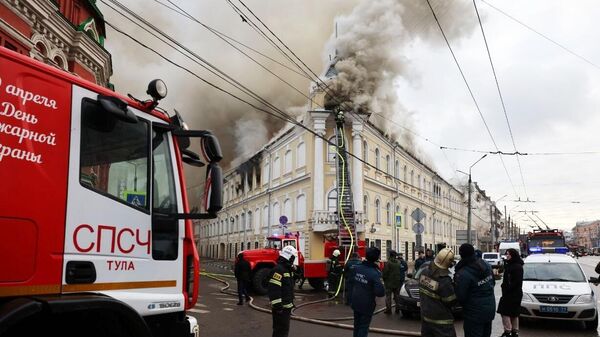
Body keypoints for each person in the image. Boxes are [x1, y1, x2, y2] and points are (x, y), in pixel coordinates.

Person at [454, 243, 496, 337]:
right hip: (489, 310)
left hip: (473, 314)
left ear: (461, 255)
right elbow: (493, 283)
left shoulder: (463, 273)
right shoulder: (486, 264)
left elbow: (461, 296)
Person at [419, 248, 457, 337]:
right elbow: (450, 301)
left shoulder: (424, 272)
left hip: (426, 319)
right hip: (442, 323)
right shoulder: (444, 281)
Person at [351, 247, 385, 337]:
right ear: (377, 258)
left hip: (355, 301)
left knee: (356, 326)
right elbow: (380, 292)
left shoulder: (357, 268)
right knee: (363, 327)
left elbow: (351, 280)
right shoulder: (375, 273)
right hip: (366, 305)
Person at [268, 245, 297, 337]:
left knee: (283, 330)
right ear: (289, 257)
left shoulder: (286, 269)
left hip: (286, 308)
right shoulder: (278, 270)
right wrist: (278, 307)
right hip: (281, 309)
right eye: (293, 257)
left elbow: (288, 287)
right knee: (280, 331)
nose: (293, 260)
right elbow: (274, 290)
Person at [497, 248, 524, 337]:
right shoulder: (512, 265)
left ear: (513, 255)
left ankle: (508, 331)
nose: (507, 256)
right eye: (506, 254)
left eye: (508, 254)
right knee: (513, 312)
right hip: (514, 293)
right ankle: (514, 331)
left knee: (504, 311)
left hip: (512, 294)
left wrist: (506, 289)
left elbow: (515, 282)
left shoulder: (516, 267)